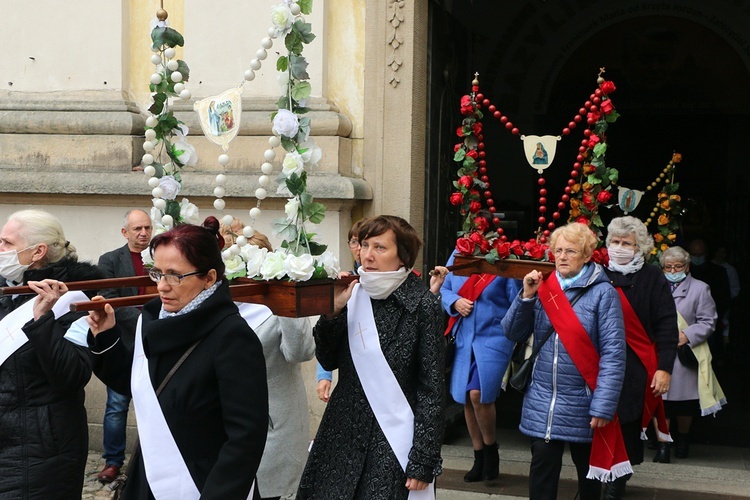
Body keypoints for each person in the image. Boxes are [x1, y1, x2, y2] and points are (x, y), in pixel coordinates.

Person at [85, 217, 268, 499]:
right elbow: (134, 385)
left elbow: (245, 437)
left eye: (175, 275)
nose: (162, 286)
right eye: (157, 273)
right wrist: (106, 336)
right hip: (149, 477)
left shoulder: (231, 336)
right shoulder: (153, 317)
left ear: (209, 278)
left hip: (203, 482)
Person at [297, 215, 445, 499]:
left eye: (380, 247)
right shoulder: (351, 293)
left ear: (402, 256)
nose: (367, 255)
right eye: (364, 245)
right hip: (343, 434)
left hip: (391, 442)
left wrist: (423, 460)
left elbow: (432, 389)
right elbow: (328, 360)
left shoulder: (423, 305)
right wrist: (333, 312)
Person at [501, 222, 628, 500]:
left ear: (586, 255)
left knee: (588, 477)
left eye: (570, 251)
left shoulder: (603, 293)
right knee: (542, 470)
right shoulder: (543, 286)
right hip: (543, 399)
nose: (562, 256)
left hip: (584, 401)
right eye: (557, 250)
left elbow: (613, 354)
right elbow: (512, 332)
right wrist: (525, 297)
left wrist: (604, 405)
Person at [0, 209, 104, 498]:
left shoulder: (74, 299)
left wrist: (42, 320)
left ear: (37, 251)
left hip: (42, 453)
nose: (0, 249)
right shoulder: (6, 293)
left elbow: (72, 375)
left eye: (6, 243)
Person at [601, 216, 678, 498]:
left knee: (627, 421)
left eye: (627, 243)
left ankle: (617, 481)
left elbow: (667, 326)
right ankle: (601, 470)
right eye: (615, 242)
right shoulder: (595, 272)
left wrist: (664, 368)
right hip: (597, 360)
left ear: (640, 247)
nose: (619, 247)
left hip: (635, 364)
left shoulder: (652, 277)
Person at [238, 230, 315, 500]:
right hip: (230, 427)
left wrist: (284, 296)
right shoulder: (223, 306)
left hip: (275, 425)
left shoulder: (278, 307)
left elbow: (300, 352)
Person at [440, 243, 520, 482]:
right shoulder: (459, 252)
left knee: (479, 394)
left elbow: (516, 301)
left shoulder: (502, 256)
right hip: (465, 338)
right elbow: (444, 287)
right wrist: (455, 302)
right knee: (465, 397)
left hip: (493, 338)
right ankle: (479, 456)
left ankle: (490, 449)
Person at [94, 208, 153, 483]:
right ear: (125, 232)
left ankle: (150, 460)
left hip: (156, 345)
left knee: (155, 406)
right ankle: (113, 461)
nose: (143, 233)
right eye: (137, 229)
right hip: (125, 344)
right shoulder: (109, 260)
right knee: (117, 405)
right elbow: (109, 299)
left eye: (147, 228)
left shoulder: (161, 257)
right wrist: (147, 320)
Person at [659, 246, 720, 460]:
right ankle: (663, 445)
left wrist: (687, 335)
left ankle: (683, 440)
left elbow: (709, 320)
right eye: (668, 266)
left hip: (685, 353)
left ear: (687, 266)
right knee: (661, 401)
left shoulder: (700, 288)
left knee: (684, 403)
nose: (673, 269)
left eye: (678, 266)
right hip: (660, 350)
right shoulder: (657, 285)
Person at [316, 218, 366, 403]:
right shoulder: (343, 282)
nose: (359, 248)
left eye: (365, 242)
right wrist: (324, 375)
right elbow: (329, 332)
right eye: (354, 242)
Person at [686, 238, 730, 359]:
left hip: (712, 324)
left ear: (706, 253)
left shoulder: (719, 272)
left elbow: (724, 298)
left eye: (700, 254)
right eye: (694, 254)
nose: (698, 257)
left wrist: (714, 318)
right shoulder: (683, 272)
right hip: (685, 326)